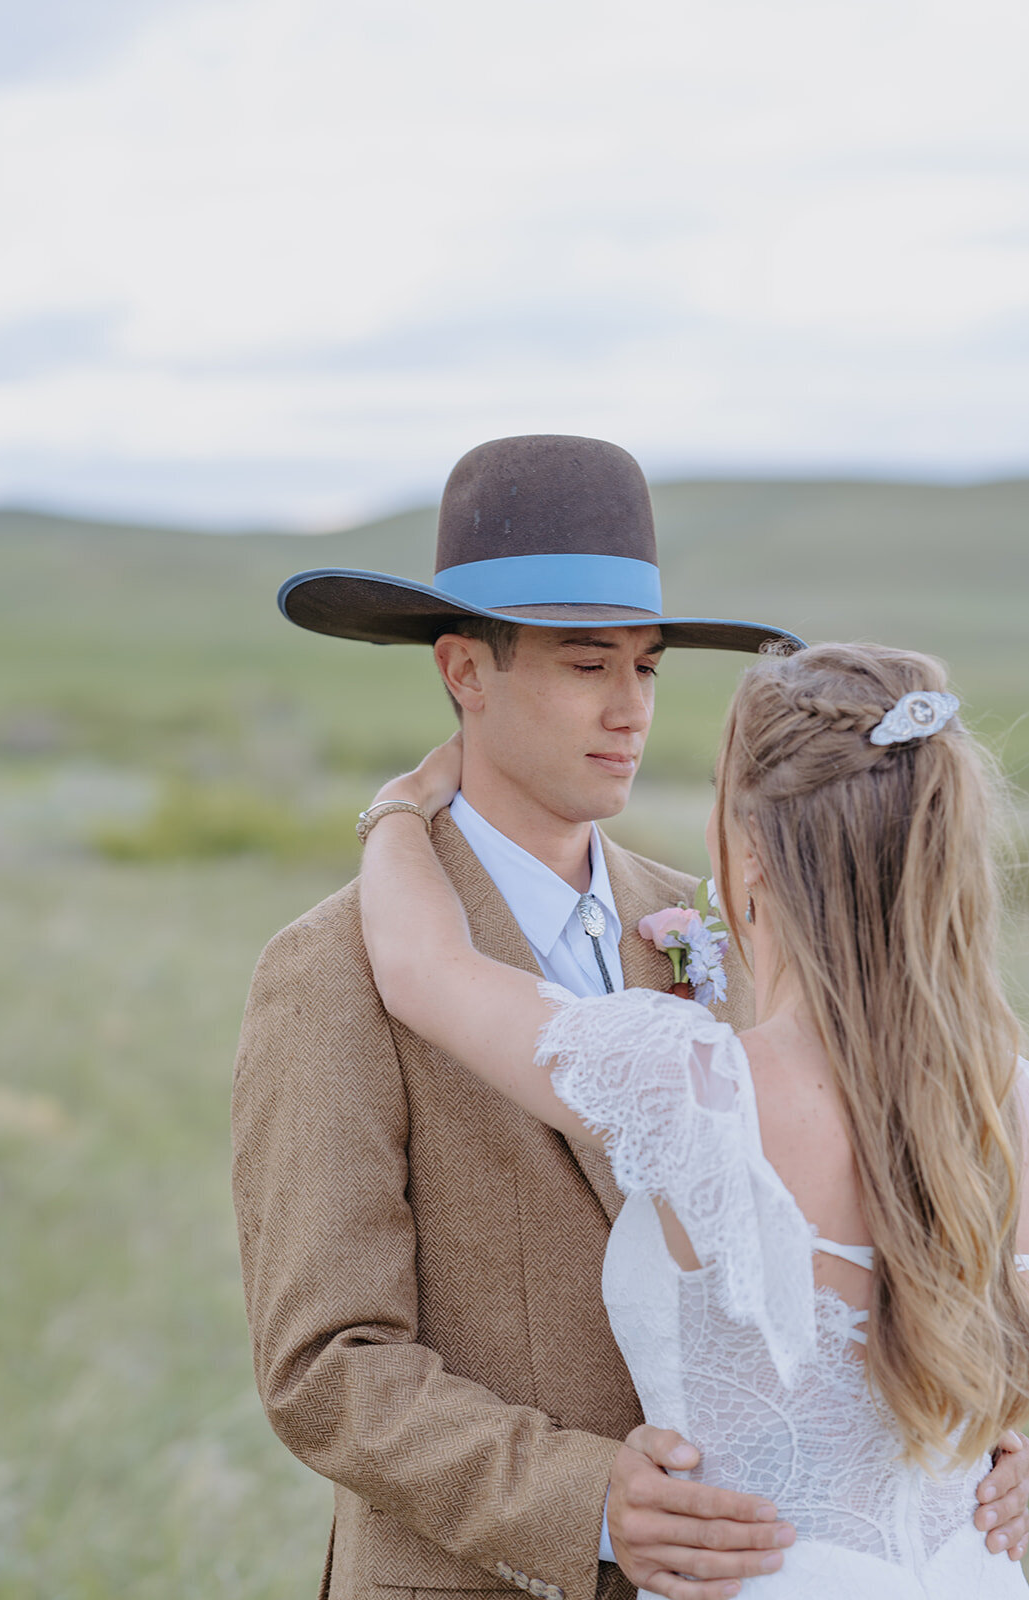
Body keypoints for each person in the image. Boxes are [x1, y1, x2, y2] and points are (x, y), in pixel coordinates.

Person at [231, 436, 1028, 1600]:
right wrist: (587, 1499)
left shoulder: (722, 924)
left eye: (648, 668)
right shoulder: (331, 969)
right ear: (464, 670)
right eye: (585, 663)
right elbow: (324, 1365)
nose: (630, 709)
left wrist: (995, 1433)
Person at [356, 640, 1029, 1598]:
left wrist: (396, 806)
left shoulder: (695, 1083)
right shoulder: (1008, 1098)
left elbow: (420, 967)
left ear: (748, 850)